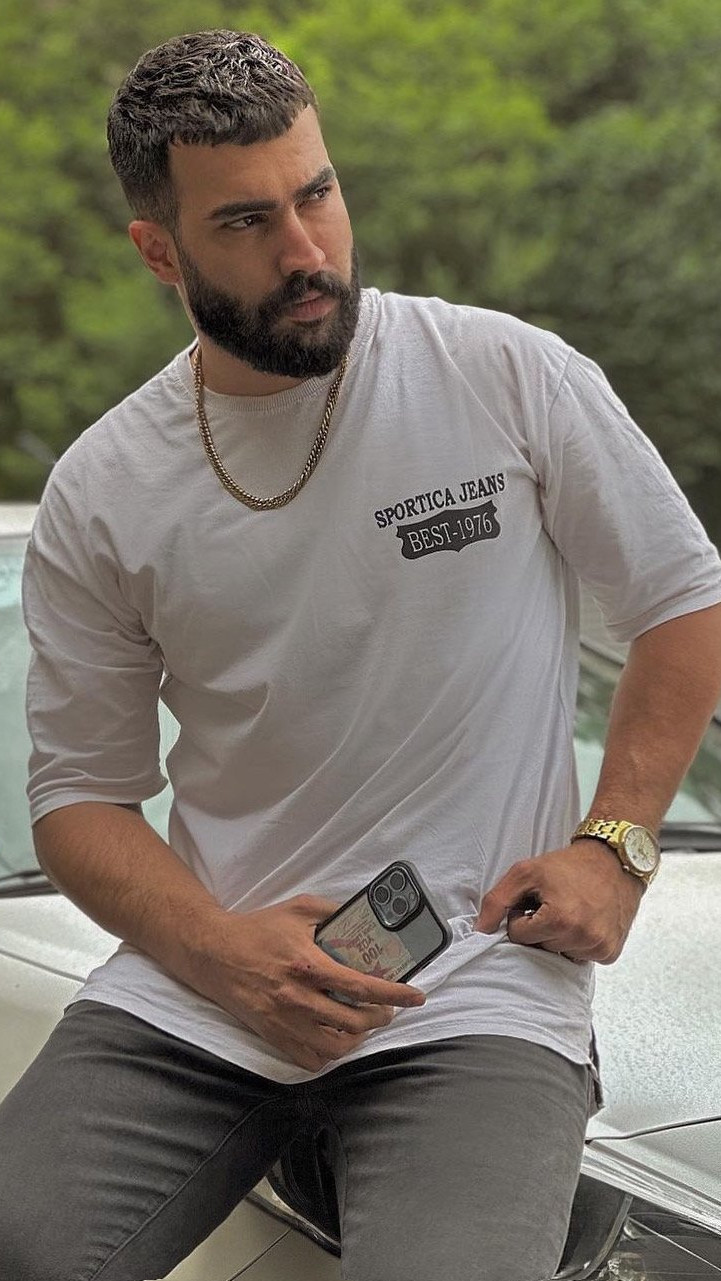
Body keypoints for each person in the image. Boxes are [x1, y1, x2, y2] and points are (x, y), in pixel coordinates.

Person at [2, 27, 721, 1281]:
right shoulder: (107, 488)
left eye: (317, 195)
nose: (306, 251)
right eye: (246, 222)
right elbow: (78, 802)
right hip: (198, 995)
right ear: (159, 250)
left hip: (478, 993)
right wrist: (219, 951)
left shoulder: (503, 375)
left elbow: (681, 600)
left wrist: (615, 845)